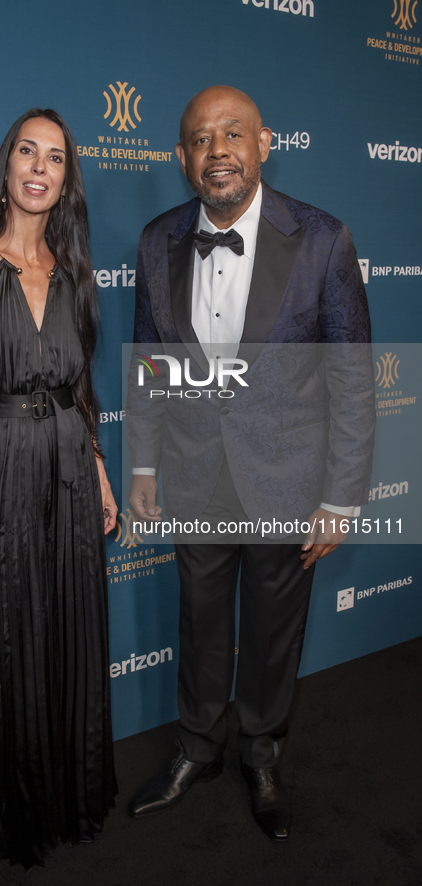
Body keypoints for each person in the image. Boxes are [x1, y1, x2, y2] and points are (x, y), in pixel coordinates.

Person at [127, 86, 375, 839]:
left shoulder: (322, 239)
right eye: (201, 139)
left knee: (271, 631)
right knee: (200, 622)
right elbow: (149, 362)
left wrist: (340, 494)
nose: (218, 150)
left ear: (264, 144)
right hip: (195, 470)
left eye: (233, 133)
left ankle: (261, 753)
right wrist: (141, 466)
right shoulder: (155, 240)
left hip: (288, 477)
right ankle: (197, 748)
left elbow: (352, 376)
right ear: (181, 158)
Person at [0, 108, 117, 870]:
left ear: (67, 179)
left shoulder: (74, 272)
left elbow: (80, 389)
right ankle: (18, 811)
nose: (39, 168)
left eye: (55, 159)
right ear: (7, 167)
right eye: (26, 153)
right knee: (9, 634)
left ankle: (74, 794)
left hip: (72, 462)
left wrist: (101, 471)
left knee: (72, 626)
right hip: (1, 459)